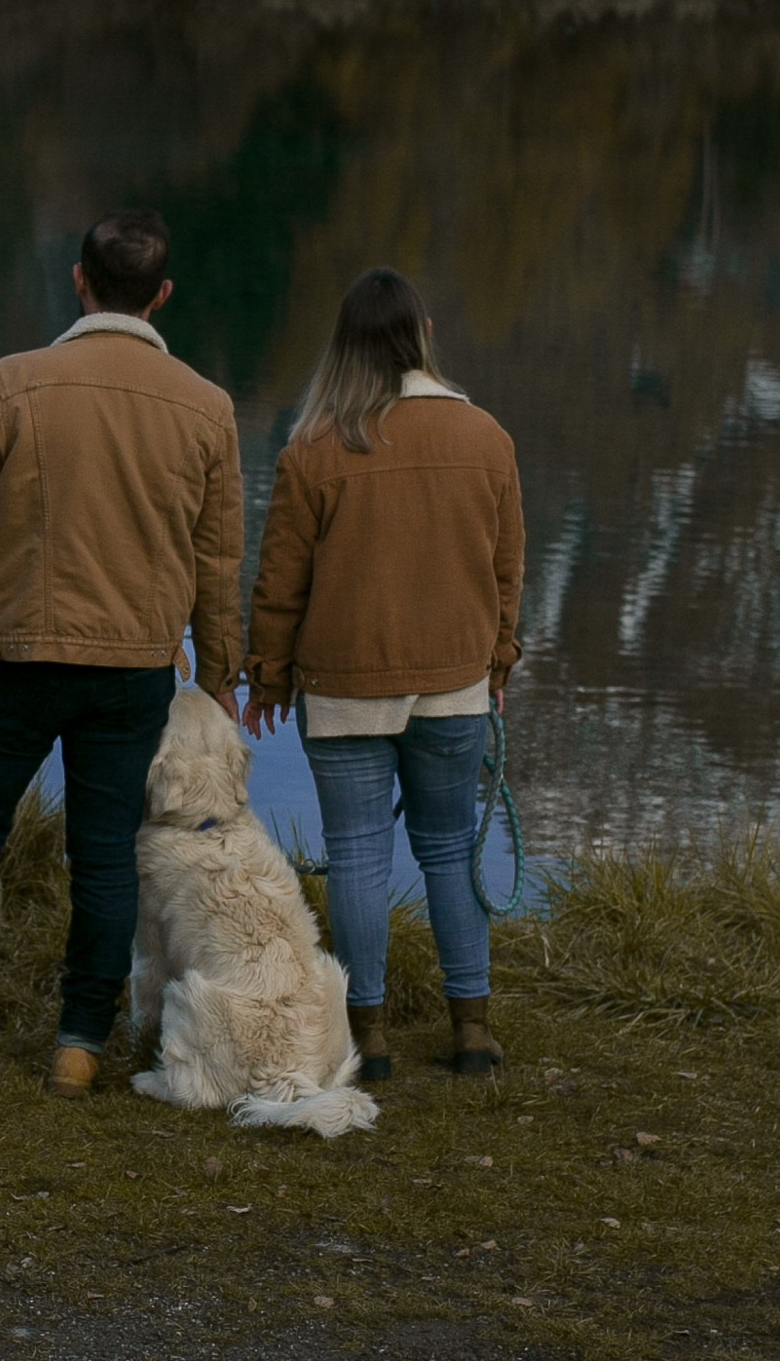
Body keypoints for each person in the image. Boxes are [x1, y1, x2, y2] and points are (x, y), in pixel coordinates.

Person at [0, 208, 243, 1100]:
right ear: (162, 296)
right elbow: (217, 561)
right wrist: (219, 677)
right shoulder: (206, 408)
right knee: (105, 856)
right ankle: (80, 1047)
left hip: (17, 660)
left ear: (80, 281)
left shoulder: (14, 385)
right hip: (134, 670)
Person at [245, 266, 523, 1081]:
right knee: (450, 849)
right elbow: (507, 571)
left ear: (345, 348)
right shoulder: (487, 438)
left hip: (343, 688)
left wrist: (267, 678)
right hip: (455, 681)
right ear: (425, 334)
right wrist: (500, 660)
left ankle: (367, 1037)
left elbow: (281, 580)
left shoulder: (314, 448)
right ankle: (472, 1030)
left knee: (358, 855)